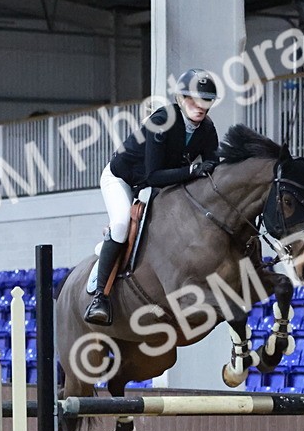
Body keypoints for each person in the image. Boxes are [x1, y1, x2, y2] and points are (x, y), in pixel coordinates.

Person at [84, 68, 221, 326]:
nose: (200, 105)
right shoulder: (163, 120)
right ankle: (100, 297)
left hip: (155, 182)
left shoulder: (207, 129)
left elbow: (215, 163)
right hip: (123, 179)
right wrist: (192, 170)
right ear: (181, 99)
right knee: (123, 224)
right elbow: (153, 175)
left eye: (206, 100)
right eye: (194, 99)